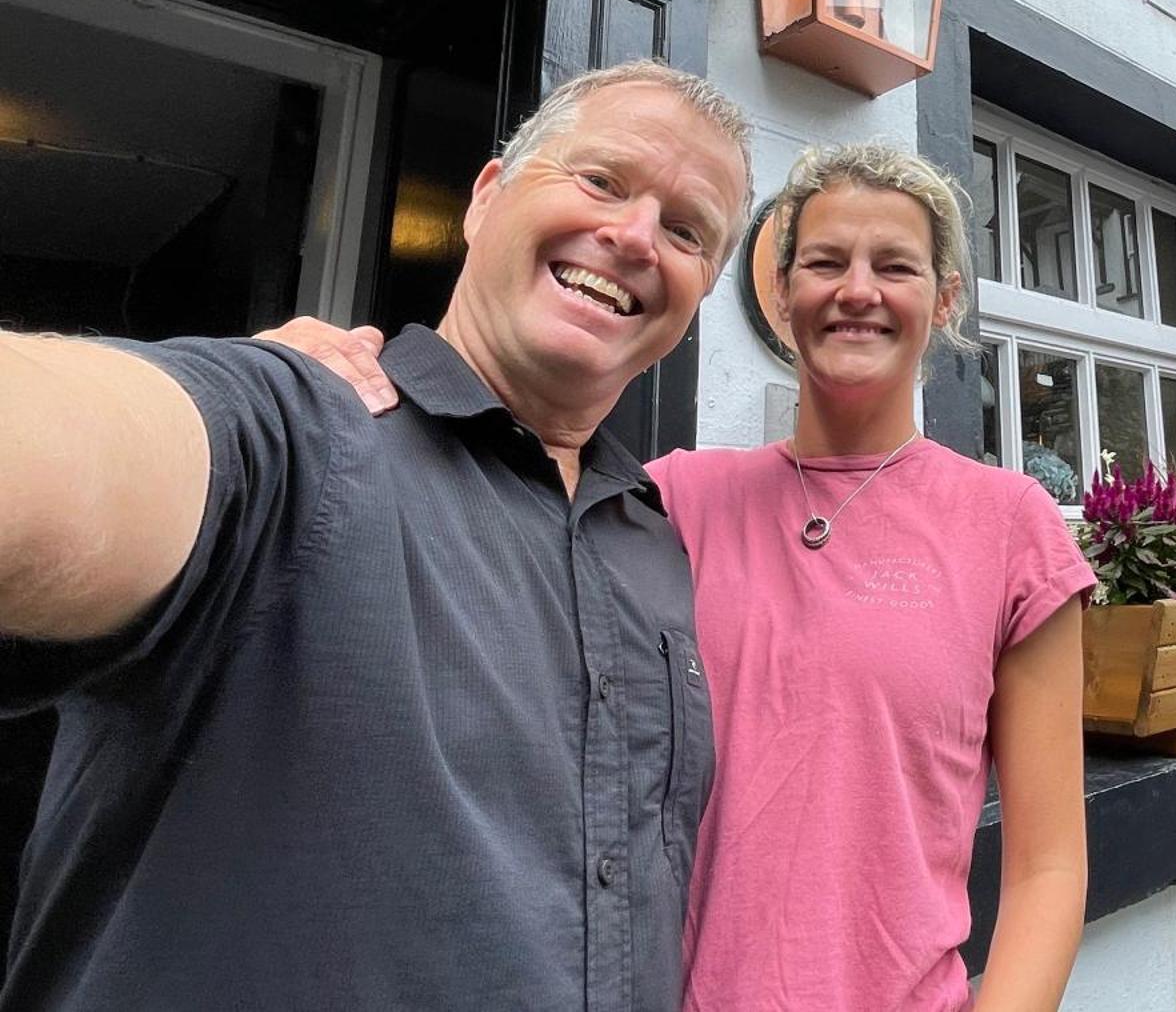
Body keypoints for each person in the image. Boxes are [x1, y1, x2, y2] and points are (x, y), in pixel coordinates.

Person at [0, 59, 750, 1010]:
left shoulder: (650, 539)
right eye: (601, 180)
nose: (636, 235)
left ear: (699, 294)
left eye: (687, 230)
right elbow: (76, 447)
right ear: (486, 199)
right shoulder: (305, 424)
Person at [277, 142, 1096, 1011]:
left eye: (894, 266)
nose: (858, 290)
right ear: (781, 293)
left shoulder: (1012, 527)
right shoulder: (662, 499)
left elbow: (1048, 866)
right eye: (824, 262)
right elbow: (467, 495)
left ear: (944, 300)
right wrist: (303, 386)